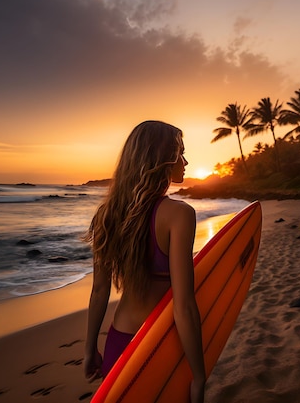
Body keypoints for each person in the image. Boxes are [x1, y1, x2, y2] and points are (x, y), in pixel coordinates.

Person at [83, 120, 205, 403]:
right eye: (180, 153)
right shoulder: (179, 215)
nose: (185, 161)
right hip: (163, 343)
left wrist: (90, 349)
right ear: (161, 159)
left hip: (119, 342)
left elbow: (99, 291)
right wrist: (199, 376)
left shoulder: (106, 216)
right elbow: (184, 305)